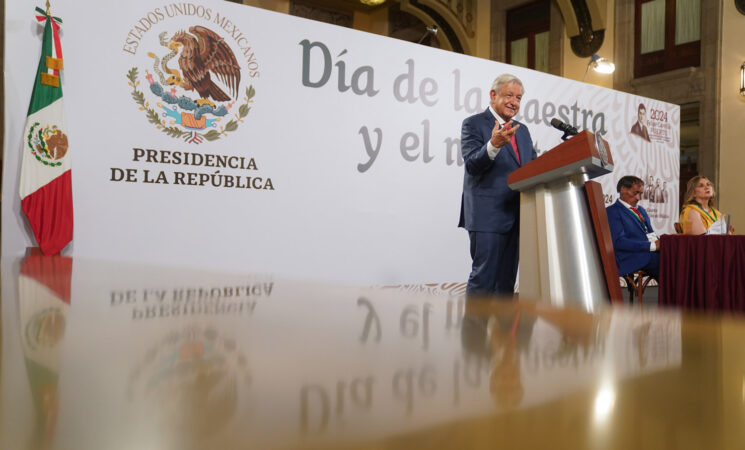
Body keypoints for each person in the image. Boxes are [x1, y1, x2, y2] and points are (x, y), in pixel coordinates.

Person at [458, 74, 537, 297]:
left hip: (517, 216)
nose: (514, 102)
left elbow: (531, 167)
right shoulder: (473, 124)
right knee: (483, 280)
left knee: (506, 285)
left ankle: (501, 333)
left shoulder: (522, 130)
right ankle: (474, 332)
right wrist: (493, 144)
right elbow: (472, 165)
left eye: (519, 98)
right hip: (487, 217)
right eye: (509, 95)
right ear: (493, 95)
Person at [606, 175, 660, 279]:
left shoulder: (642, 210)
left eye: (640, 194)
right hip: (629, 257)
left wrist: (658, 244)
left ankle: (675, 292)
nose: (638, 198)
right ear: (623, 190)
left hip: (647, 254)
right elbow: (618, 242)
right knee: (664, 264)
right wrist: (651, 246)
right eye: (635, 193)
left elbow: (650, 233)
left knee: (673, 259)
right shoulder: (612, 211)